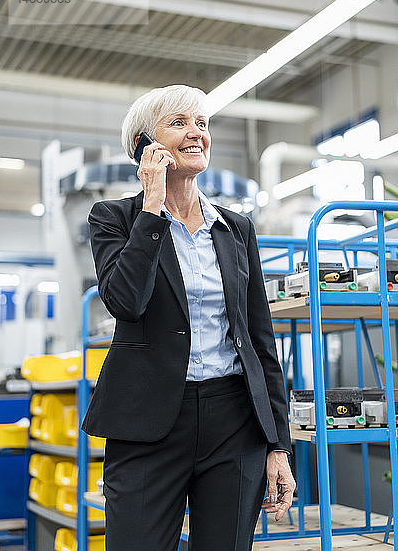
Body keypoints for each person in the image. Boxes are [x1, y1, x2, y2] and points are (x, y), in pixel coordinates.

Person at [82, 84, 295, 551]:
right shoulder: (113, 218)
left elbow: (260, 341)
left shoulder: (235, 228)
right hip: (148, 422)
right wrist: (152, 207)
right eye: (179, 123)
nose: (196, 133)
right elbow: (125, 302)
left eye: (202, 123)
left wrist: (278, 443)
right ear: (144, 146)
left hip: (234, 422)